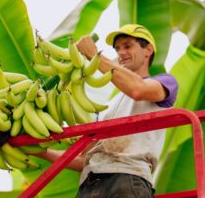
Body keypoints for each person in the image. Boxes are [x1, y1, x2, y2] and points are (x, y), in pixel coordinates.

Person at [37, 24, 178, 198]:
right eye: (118, 48)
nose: (121, 52)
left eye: (128, 46)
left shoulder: (165, 82)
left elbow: (137, 90)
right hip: (90, 185)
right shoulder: (106, 108)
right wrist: (42, 152)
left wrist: (94, 56)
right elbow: (84, 159)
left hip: (127, 178)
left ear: (148, 50)